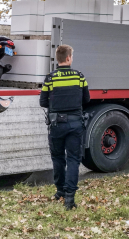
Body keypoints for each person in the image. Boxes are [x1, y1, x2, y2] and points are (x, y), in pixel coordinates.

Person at [40, 44, 90, 210]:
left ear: (57, 58)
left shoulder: (50, 78)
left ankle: (60, 191)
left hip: (56, 124)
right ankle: (70, 198)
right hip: (75, 123)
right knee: (73, 159)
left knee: (58, 158)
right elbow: (86, 99)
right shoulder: (79, 77)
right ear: (68, 58)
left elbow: (42, 102)